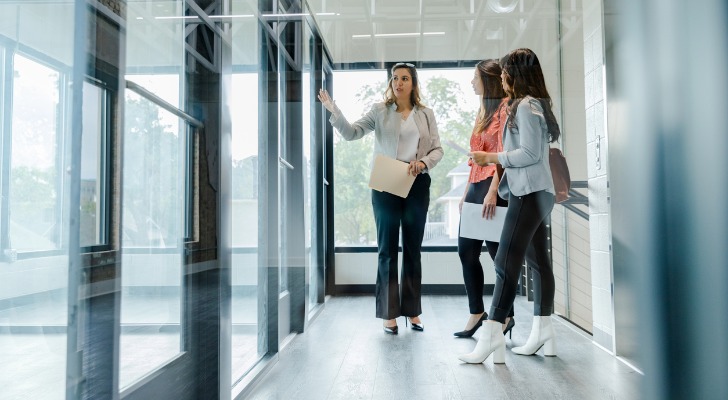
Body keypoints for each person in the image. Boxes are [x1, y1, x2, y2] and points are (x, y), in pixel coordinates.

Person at [317, 62, 443, 334]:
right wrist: (334, 111)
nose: (398, 82)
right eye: (395, 78)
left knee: (413, 250)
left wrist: (422, 163)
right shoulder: (379, 111)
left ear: (413, 83)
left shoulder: (426, 114)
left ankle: (413, 311)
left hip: (417, 183)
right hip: (386, 184)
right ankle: (389, 314)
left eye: (405, 78)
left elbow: (437, 150)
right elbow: (351, 133)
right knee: (387, 250)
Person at [458, 48, 561, 363]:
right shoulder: (528, 106)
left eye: (504, 72)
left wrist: (491, 158)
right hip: (534, 191)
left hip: (529, 194)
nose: (501, 78)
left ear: (514, 75)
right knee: (537, 261)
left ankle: (492, 335)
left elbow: (529, 154)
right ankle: (544, 331)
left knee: (504, 261)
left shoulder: (526, 107)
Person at [454, 59, 515, 339]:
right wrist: (466, 193)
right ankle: (477, 311)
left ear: (487, 80)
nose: (471, 82)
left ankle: (506, 314)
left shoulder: (505, 108)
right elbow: (474, 158)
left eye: (475, 77)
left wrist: (493, 191)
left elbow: (501, 153)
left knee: (495, 255)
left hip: (494, 188)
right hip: (475, 187)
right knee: (466, 251)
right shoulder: (482, 111)